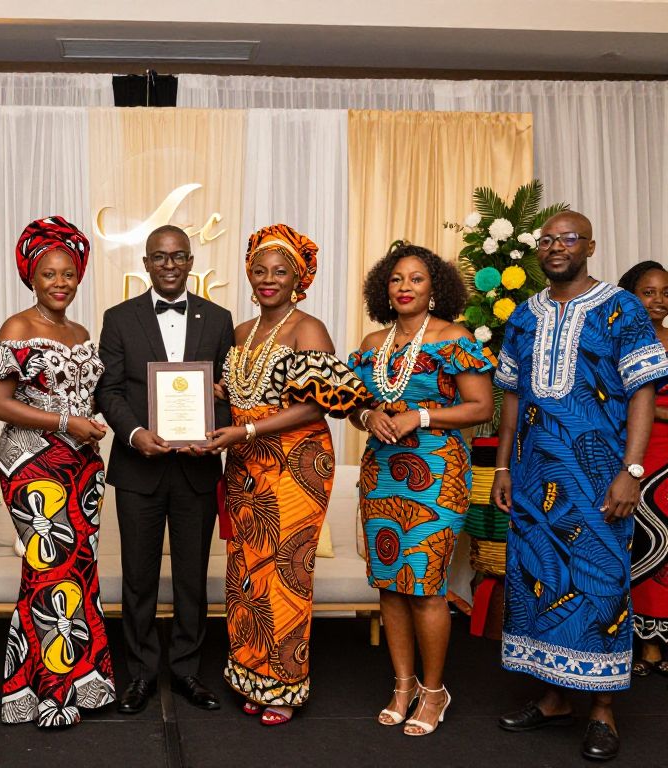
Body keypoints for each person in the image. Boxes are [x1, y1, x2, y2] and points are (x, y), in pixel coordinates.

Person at [492, 213, 668, 762]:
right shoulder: (524, 315)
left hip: (597, 479)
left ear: (590, 245)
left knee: (600, 586)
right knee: (538, 581)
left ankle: (602, 710)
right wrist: (501, 468)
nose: (556, 247)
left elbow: (642, 391)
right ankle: (553, 698)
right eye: (546, 240)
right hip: (532, 480)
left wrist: (632, 471)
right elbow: (513, 395)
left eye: (568, 238)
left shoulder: (623, 308)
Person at [204, 224, 371, 726]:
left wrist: (247, 425)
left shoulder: (308, 328)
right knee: (246, 572)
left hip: (296, 464)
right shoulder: (240, 333)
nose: (267, 279)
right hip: (245, 466)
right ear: (249, 276)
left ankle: (284, 684)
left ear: (298, 277)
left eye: (280, 271)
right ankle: (250, 673)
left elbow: (315, 407)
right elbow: (240, 393)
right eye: (259, 270)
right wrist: (212, 397)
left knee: (287, 573)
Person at [348, 241, 494, 736]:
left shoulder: (454, 337)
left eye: (415, 279)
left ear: (435, 288)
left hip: (438, 473)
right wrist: (368, 414)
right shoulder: (372, 344)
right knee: (389, 584)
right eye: (396, 279)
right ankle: (403, 684)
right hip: (381, 471)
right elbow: (354, 404)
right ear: (383, 290)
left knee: (426, 586)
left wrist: (421, 414)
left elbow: (480, 407)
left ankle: (435, 692)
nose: (405, 287)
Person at [0, 216, 115, 728]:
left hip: (82, 465)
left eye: (68, 273)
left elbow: (92, 398)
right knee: (48, 570)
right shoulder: (17, 328)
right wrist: (64, 421)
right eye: (49, 273)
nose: (60, 282)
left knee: (79, 571)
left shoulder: (80, 331)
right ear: (31, 278)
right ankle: (45, 692)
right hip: (32, 462)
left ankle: (83, 681)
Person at [95, 224, 234, 714]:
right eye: (160, 257)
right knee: (139, 578)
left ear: (191, 261)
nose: (170, 265)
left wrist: (211, 433)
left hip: (197, 469)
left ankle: (188, 671)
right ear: (147, 264)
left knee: (193, 577)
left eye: (178, 256)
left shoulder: (219, 319)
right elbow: (107, 391)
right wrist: (135, 434)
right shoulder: (118, 319)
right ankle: (141, 675)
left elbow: (228, 391)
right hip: (139, 468)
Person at [618, 262, 668, 678]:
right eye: (648, 291)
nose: (659, 300)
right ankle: (631, 640)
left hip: (667, 459)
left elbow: (641, 401)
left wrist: (649, 407)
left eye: (665, 292)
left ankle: (658, 642)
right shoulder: (618, 341)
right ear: (631, 295)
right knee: (632, 541)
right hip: (629, 456)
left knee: (665, 544)